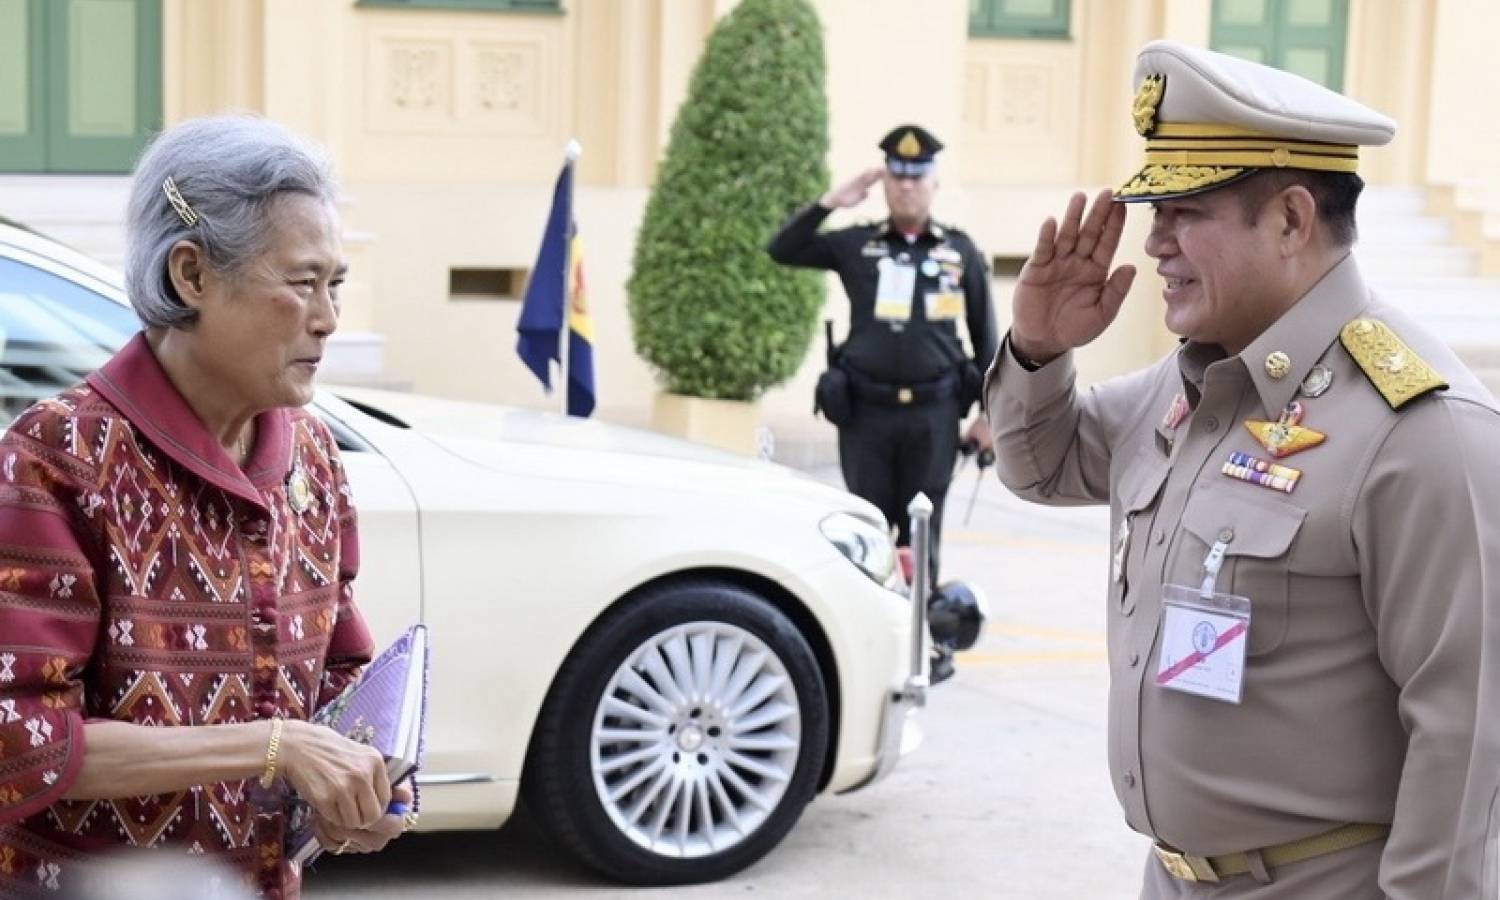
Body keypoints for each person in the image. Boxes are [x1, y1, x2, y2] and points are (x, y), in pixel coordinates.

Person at [987, 41, 1500, 898]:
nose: (1155, 244)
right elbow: (1042, 468)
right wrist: (1038, 348)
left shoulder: (1422, 429)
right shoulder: (1194, 379)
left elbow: (1468, 737)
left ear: (1293, 221)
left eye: (1185, 212)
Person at [0, 116, 413, 900]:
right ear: (192, 275)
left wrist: (369, 788)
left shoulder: (313, 459)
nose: (327, 318)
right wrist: (272, 746)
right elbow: (16, 740)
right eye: (301, 283)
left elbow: (344, 679)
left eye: (336, 285)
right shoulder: (59, 459)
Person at [767, 124, 998, 580]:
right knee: (864, 534)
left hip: (935, 416)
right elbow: (782, 248)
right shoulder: (857, 244)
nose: (907, 186)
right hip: (866, 416)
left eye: (917, 176)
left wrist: (990, 414)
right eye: (897, 176)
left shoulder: (960, 250)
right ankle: (868, 638)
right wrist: (831, 202)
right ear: (885, 183)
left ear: (934, 183)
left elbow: (985, 337)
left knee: (922, 535)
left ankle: (925, 640)